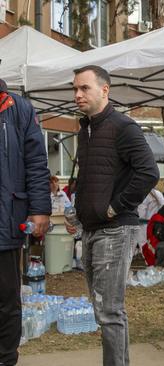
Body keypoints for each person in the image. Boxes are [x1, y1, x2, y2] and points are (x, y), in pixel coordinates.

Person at [64, 65, 159, 366]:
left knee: (110, 311)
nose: (77, 94)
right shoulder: (86, 129)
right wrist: (78, 214)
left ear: (104, 90)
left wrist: (115, 207)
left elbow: (149, 173)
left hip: (116, 229)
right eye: (75, 89)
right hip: (91, 230)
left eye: (84, 88)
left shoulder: (123, 126)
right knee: (102, 309)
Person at [0, 79, 51, 366]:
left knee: (6, 298)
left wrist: (40, 209)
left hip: (5, 219)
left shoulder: (18, 109)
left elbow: (36, 162)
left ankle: (6, 358)